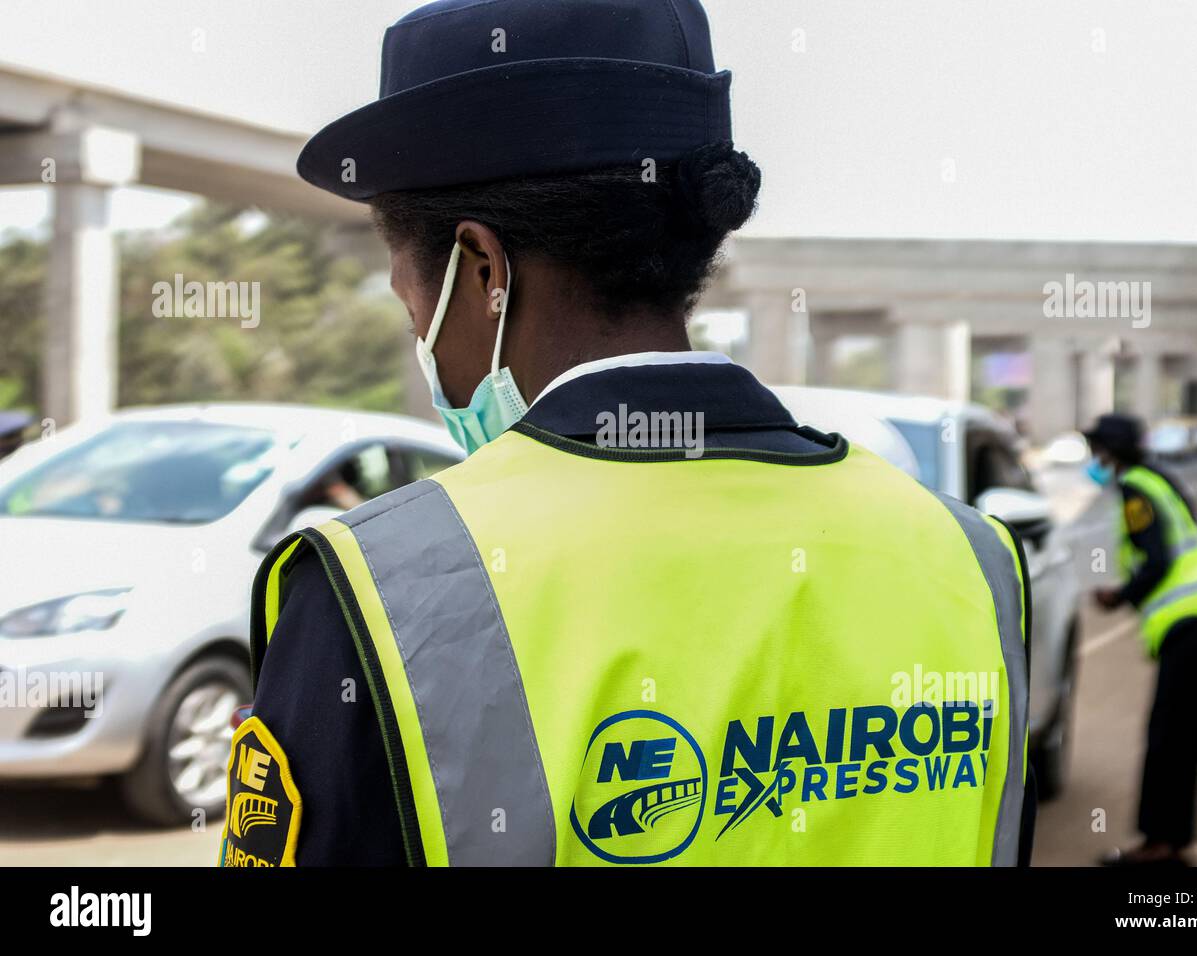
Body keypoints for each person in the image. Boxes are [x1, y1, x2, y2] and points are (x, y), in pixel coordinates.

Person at [220, 0, 1033, 868]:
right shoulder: (971, 560)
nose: (417, 327)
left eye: (407, 295)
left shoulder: (380, 593)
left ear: (483, 270)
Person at [1084, 414, 1197, 866]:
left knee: (1168, 734)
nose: (1093, 459)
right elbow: (1187, 527)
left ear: (1109, 451)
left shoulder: (1136, 488)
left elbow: (1156, 559)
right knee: (1182, 735)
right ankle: (1173, 843)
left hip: (1194, 618)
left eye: (1096, 449)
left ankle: (1159, 846)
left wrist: (1119, 595)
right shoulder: (1159, 478)